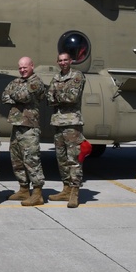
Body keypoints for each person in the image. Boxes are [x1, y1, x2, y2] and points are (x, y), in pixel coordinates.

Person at [1, 56, 48, 206]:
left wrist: (14, 96)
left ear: (32, 66)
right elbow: (4, 96)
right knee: (17, 160)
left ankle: (38, 193)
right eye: (20, 67)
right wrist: (16, 96)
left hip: (29, 126)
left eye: (25, 67)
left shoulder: (36, 82)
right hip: (17, 125)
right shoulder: (17, 81)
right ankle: (23, 189)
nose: (22, 70)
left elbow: (24, 96)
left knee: (31, 160)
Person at [47, 52, 86, 208]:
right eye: (60, 60)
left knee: (73, 159)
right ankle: (66, 189)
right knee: (61, 159)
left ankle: (75, 192)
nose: (63, 63)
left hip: (72, 123)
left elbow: (73, 97)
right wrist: (58, 95)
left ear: (70, 61)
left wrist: (56, 95)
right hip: (57, 123)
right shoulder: (56, 78)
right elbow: (49, 99)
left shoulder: (77, 76)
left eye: (65, 60)